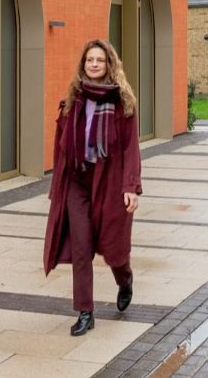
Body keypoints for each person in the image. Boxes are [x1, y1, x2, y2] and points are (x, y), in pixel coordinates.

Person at [42, 38, 142, 336]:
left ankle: (124, 279)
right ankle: (85, 312)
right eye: (89, 60)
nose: (94, 64)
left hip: (109, 179)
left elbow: (129, 148)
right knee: (82, 246)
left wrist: (130, 186)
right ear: (83, 65)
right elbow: (61, 146)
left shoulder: (122, 103)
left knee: (113, 246)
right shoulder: (75, 99)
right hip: (78, 180)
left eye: (100, 60)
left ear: (109, 64)